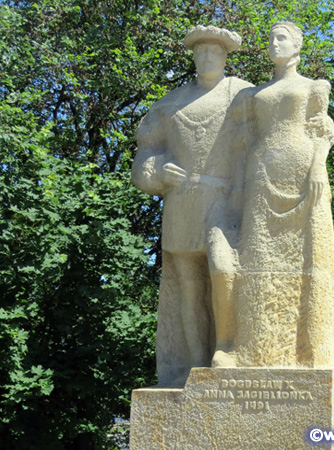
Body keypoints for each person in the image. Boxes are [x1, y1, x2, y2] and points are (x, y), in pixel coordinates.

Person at [132, 25, 252, 386]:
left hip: (224, 199)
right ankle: (195, 363)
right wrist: (157, 172)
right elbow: (145, 157)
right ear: (194, 57)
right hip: (182, 204)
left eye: (215, 52)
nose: (208, 58)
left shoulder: (242, 95)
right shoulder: (171, 102)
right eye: (201, 52)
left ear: (226, 56)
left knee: (222, 268)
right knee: (188, 283)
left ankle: (227, 347)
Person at [232, 21, 334, 368]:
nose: (274, 44)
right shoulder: (253, 95)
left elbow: (323, 131)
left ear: (297, 46)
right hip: (262, 174)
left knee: (307, 259)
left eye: (281, 38)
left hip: (302, 172)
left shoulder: (314, 87)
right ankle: (257, 350)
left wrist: (319, 167)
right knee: (259, 259)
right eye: (270, 38)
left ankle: (308, 352)